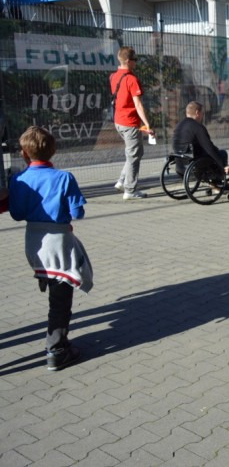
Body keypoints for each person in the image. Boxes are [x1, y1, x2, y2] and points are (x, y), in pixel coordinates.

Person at [0, 126, 92, 371]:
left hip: (33, 243)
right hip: (59, 242)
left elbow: (16, 214)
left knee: (51, 281)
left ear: (24, 153)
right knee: (61, 299)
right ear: (53, 151)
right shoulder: (64, 178)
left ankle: (46, 282)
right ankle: (56, 349)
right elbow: (77, 213)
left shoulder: (18, 179)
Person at [111, 46, 153, 200]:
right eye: (135, 60)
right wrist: (147, 124)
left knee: (134, 153)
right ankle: (130, 190)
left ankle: (122, 181)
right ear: (128, 61)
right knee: (134, 155)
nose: (136, 62)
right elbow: (138, 105)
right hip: (129, 122)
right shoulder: (132, 79)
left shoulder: (114, 76)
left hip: (119, 121)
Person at [172, 101, 229, 176]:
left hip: (180, 164)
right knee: (222, 153)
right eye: (202, 113)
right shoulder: (197, 126)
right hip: (195, 163)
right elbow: (209, 148)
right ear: (197, 112)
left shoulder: (179, 125)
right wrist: (222, 165)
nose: (203, 116)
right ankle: (219, 179)